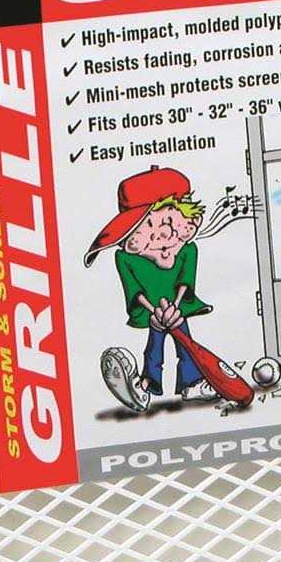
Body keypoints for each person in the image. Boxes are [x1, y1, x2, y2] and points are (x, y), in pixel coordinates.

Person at [83, 165, 213, 413]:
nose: (163, 234)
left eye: (169, 222)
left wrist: (175, 308)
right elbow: (134, 290)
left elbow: (186, 281)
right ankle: (145, 386)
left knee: (187, 346)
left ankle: (192, 382)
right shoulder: (126, 258)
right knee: (154, 349)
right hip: (154, 312)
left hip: (177, 309)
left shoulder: (188, 250)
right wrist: (155, 312)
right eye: (148, 226)